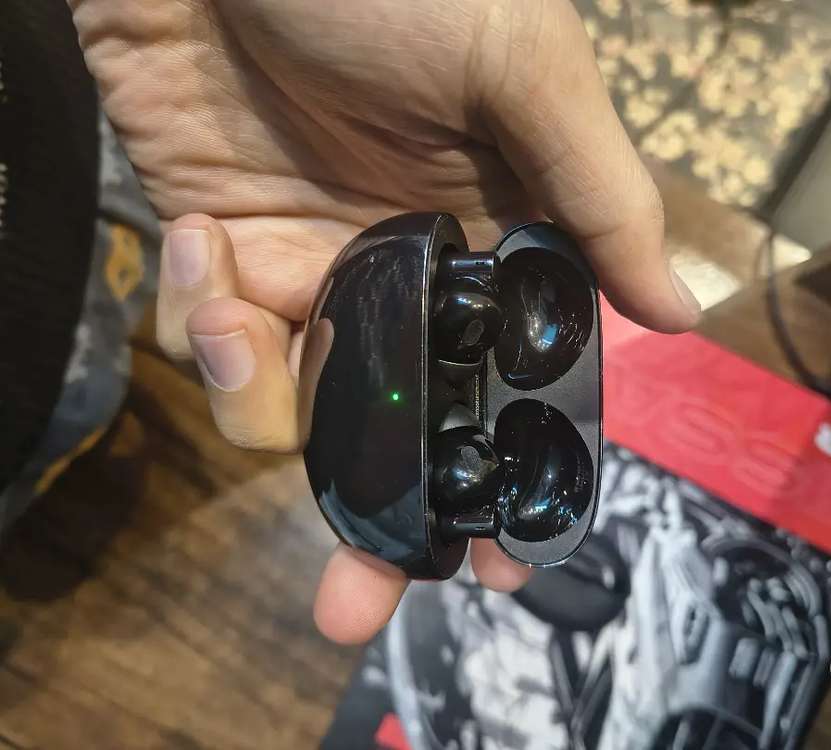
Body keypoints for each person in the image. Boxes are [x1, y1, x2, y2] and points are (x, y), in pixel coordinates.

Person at [66, 0, 702, 644]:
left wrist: (175, 25)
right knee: (80, 396)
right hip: (73, 227)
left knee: (82, 391)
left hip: (69, 173)